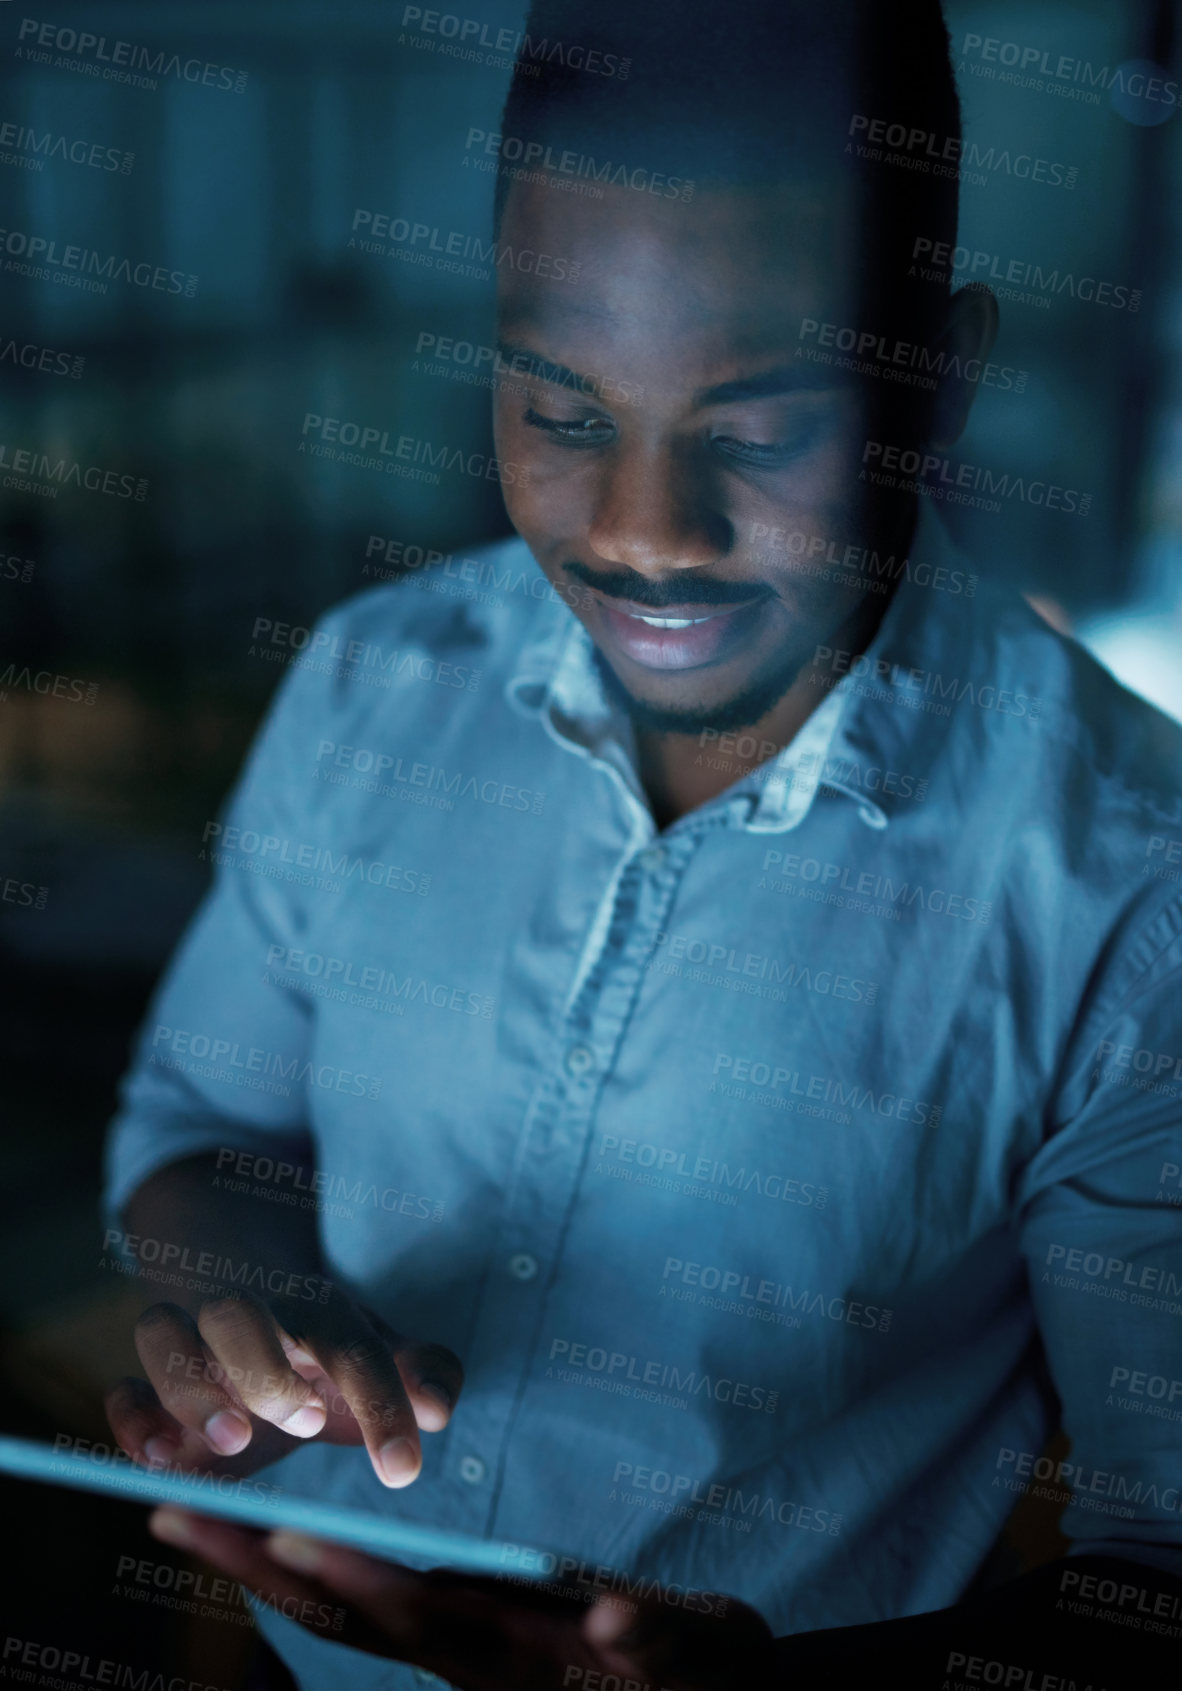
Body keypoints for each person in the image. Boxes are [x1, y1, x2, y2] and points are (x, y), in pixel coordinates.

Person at [102, 2, 1182, 1687]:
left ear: (941, 375)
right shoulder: (379, 684)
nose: (640, 535)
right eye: (558, 412)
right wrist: (266, 1310)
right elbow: (203, 1126)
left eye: (756, 432)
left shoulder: (1128, 891)